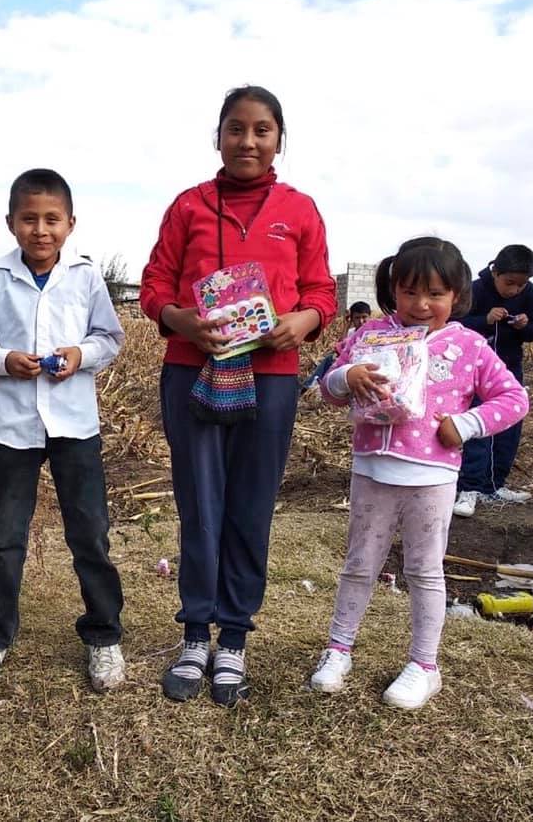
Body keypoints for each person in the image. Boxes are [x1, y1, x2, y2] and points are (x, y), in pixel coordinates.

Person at [140, 85, 337, 706]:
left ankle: (234, 641)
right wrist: (181, 321)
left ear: (280, 139)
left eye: (262, 130)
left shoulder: (299, 210)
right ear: (217, 136)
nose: (247, 141)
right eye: (235, 129)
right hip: (193, 372)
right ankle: (196, 635)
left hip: (272, 376)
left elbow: (322, 292)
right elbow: (154, 285)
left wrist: (301, 323)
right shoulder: (188, 206)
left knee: (249, 507)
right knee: (201, 506)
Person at [310, 237, 529, 709]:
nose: (421, 305)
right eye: (410, 292)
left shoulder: (467, 345)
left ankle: (424, 665)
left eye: (435, 294)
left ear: (456, 296)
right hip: (371, 470)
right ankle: (338, 649)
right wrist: (345, 378)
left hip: (432, 477)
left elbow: (514, 400)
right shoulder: (370, 335)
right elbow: (330, 388)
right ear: (394, 290)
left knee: (425, 570)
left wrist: (466, 425)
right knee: (359, 564)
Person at [0, 168, 126, 693]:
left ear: (71, 223)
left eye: (51, 219)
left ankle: (104, 637)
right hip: (13, 428)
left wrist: (79, 354)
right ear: (11, 223)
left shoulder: (85, 276)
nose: (41, 229)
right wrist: (6, 360)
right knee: (5, 537)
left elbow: (109, 337)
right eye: (29, 219)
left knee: (89, 533)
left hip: (75, 424)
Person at [453, 245, 533, 516]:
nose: (515, 290)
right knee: (479, 428)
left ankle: (494, 486)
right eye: (509, 283)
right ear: (495, 272)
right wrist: (486, 320)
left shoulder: (528, 293)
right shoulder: (476, 290)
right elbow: (457, 324)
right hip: (476, 370)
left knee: (509, 426)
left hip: (510, 368)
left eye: (521, 284)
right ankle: (469, 489)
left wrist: (525, 325)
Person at [302, 301, 372, 392]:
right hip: (348, 360)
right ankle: (313, 385)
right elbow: (340, 346)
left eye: (364, 317)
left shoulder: (373, 333)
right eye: (357, 318)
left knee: (331, 359)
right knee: (331, 358)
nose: (361, 321)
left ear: (369, 317)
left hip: (361, 361)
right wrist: (346, 325)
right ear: (352, 319)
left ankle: (311, 384)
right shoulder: (352, 332)